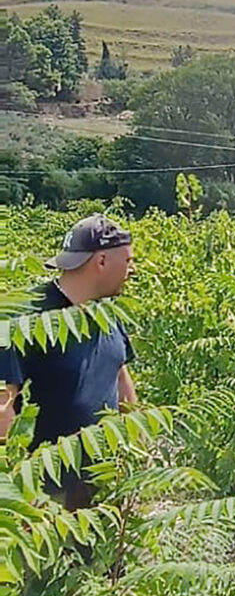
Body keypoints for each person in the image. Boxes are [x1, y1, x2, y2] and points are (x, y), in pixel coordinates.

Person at [0, 214, 137, 510]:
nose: (132, 269)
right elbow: (3, 406)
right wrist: (22, 491)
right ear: (101, 261)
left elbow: (120, 376)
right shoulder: (26, 317)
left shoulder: (109, 313)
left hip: (103, 482)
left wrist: (135, 443)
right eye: (127, 261)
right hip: (46, 492)